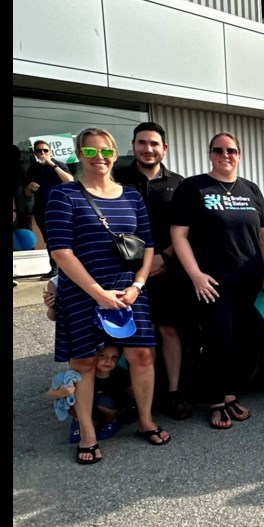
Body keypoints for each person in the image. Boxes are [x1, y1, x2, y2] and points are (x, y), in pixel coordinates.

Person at [45, 127, 167, 465]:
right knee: (83, 362)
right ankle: (88, 433)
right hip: (82, 292)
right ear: (79, 155)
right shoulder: (63, 195)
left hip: (128, 290)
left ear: (115, 155)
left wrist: (138, 284)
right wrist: (98, 293)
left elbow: (148, 245)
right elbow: (61, 251)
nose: (99, 158)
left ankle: (145, 420)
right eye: (90, 152)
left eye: (105, 152)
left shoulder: (131, 196)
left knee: (142, 356)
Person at [170, 132, 264, 430]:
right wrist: (195, 275)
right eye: (219, 150)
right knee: (218, 341)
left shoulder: (251, 189)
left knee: (240, 341)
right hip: (211, 282)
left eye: (231, 150)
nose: (225, 155)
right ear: (210, 154)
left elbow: (263, 235)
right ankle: (215, 402)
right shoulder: (194, 188)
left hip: (248, 279)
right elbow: (178, 236)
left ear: (239, 155)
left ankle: (229, 395)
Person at [114, 122, 192, 421]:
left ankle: (173, 392)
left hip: (167, 268)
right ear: (133, 145)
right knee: (133, 334)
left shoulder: (180, 184)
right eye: (142, 143)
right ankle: (139, 394)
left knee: (169, 330)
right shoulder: (117, 179)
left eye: (154, 144)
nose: (148, 149)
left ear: (164, 148)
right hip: (124, 269)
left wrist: (164, 259)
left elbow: (186, 230)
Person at [48, 345, 137, 443]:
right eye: (102, 356)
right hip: (87, 408)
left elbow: (133, 392)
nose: (108, 361)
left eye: (114, 357)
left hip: (109, 408)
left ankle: (111, 421)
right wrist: (61, 392)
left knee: (104, 401)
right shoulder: (80, 374)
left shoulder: (121, 374)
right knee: (70, 397)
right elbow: (50, 394)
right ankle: (80, 422)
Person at [25, 139, 74, 278]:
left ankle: (71, 268)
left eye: (45, 150)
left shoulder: (59, 165)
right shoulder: (33, 168)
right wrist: (29, 187)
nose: (42, 153)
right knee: (49, 240)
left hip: (61, 209)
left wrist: (51, 164)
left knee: (65, 238)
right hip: (41, 208)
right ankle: (55, 268)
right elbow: (26, 193)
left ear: (50, 152)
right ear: (34, 153)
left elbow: (69, 181)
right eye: (38, 151)